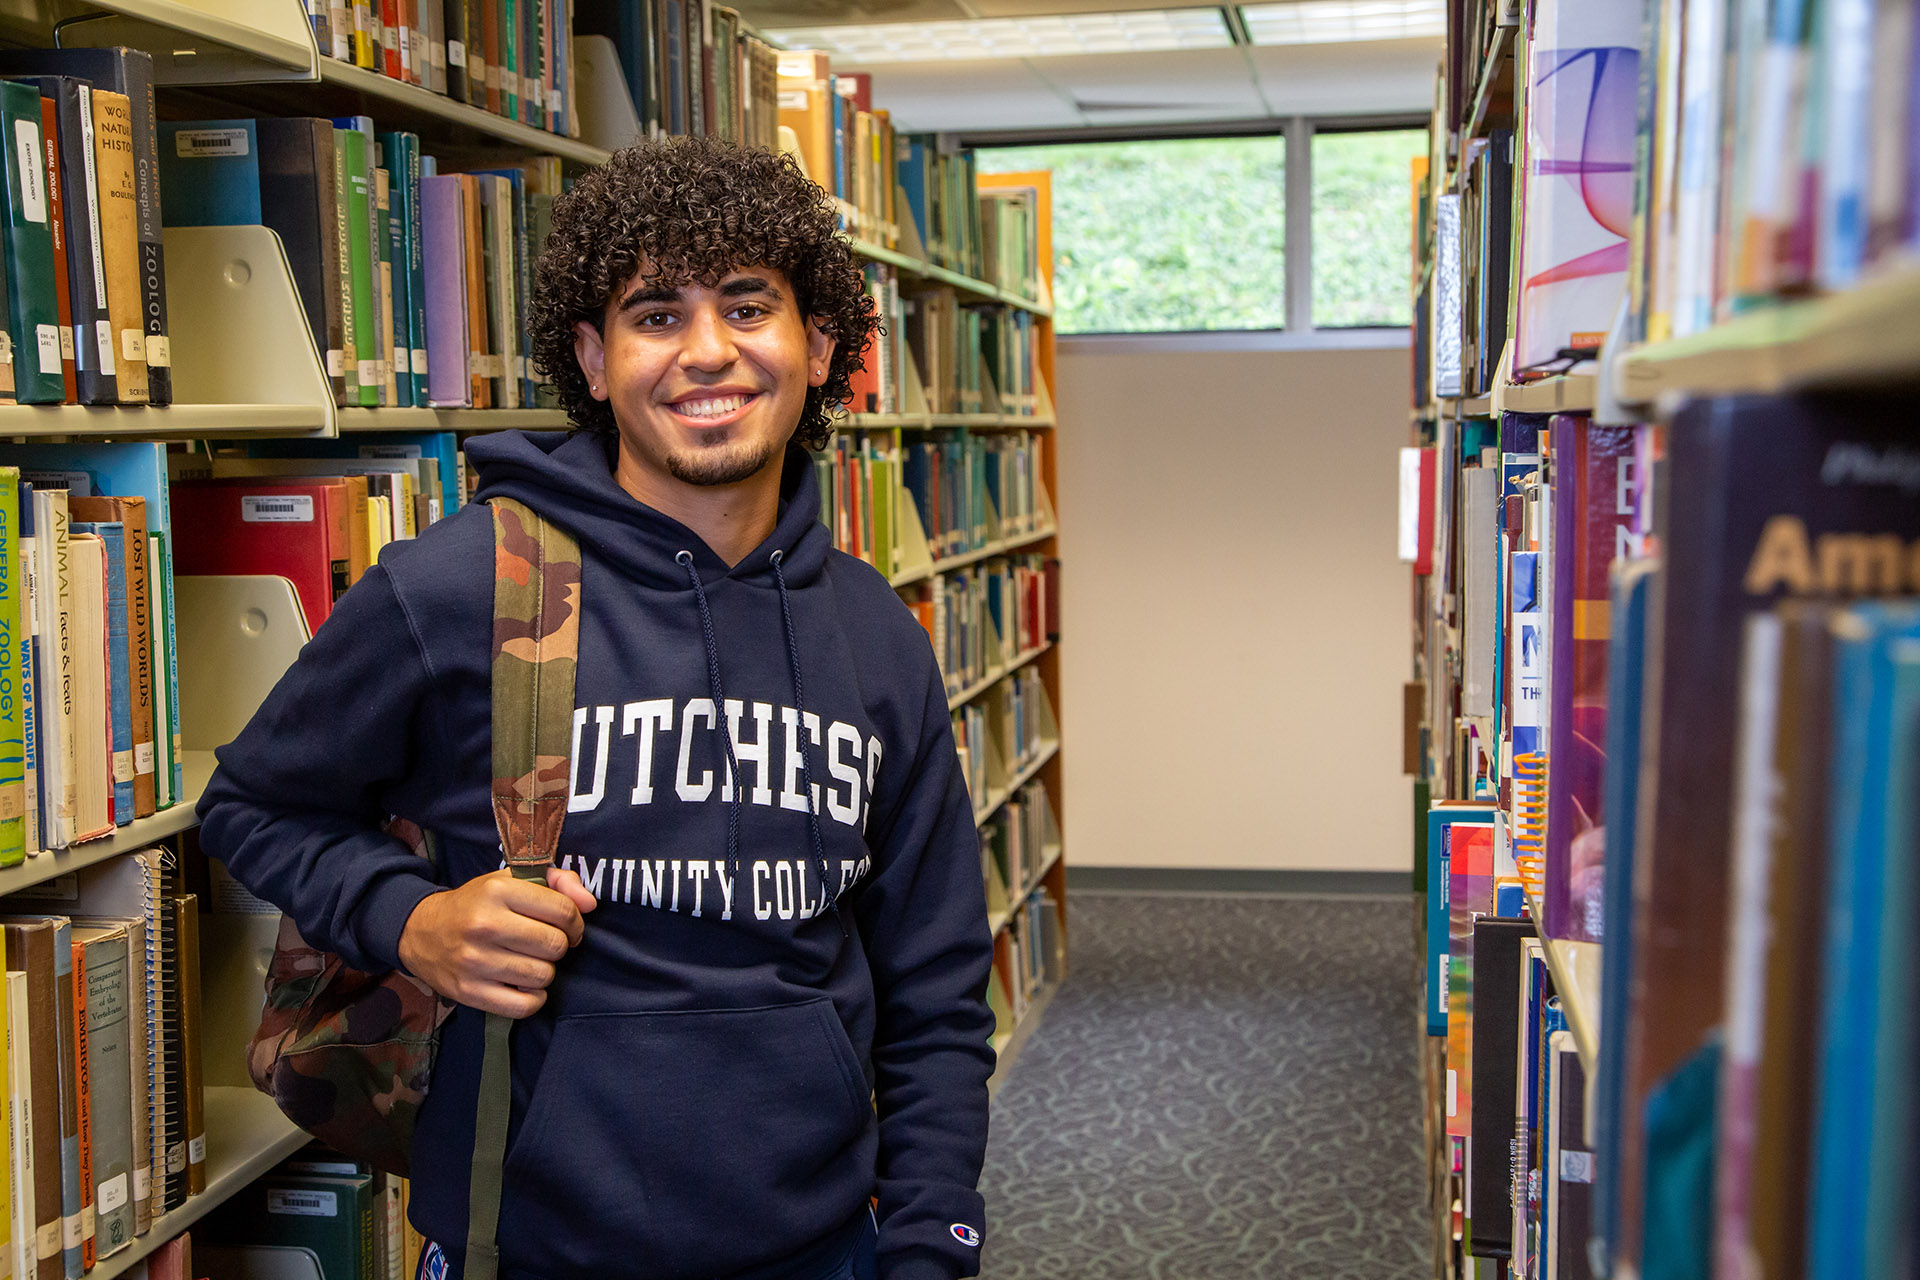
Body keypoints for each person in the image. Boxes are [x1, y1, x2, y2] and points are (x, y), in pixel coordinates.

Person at [197, 134, 996, 1280]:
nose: (707, 351)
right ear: (594, 352)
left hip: (826, 1248)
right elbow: (254, 802)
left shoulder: (876, 634)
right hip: (527, 1244)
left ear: (820, 345)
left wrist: (928, 1242)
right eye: (656, 314)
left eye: (748, 306)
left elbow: (934, 987)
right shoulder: (462, 588)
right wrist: (413, 920)